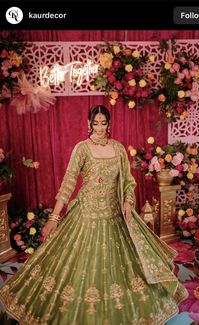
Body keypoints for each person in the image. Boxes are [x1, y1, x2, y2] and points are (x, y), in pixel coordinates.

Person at [0, 105, 188, 325]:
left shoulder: (118, 149)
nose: (99, 127)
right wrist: (54, 218)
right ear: (89, 124)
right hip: (86, 216)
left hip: (113, 216)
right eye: (95, 123)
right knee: (77, 268)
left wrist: (128, 201)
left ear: (109, 124)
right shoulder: (82, 148)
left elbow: (128, 182)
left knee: (122, 269)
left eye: (103, 122)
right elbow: (68, 183)